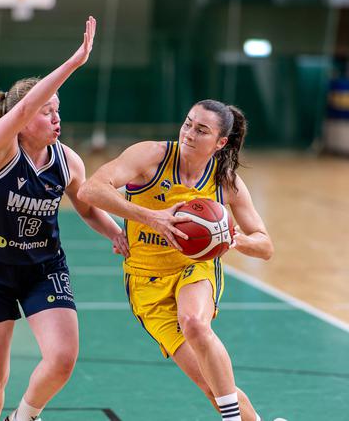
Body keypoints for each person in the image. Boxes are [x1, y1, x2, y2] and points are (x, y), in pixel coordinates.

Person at [0, 17, 128, 421]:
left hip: (44, 267)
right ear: (23, 120)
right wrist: (75, 61)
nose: (56, 118)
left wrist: (116, 233)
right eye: (46, 111)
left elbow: (86, 205)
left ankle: (23, 417)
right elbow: (24, 105)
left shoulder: (67, 160)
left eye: (58, 110)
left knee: (62, 358)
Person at [78, 99, 274, 421]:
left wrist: (234, 239)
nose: (189, 133)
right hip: (145, 281)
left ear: (220, 142)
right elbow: (91, 190)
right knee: (212, 386)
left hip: (193, 268)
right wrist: (149, 217)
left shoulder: (225, 180)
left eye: (201, 130)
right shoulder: (151, 156)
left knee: (195, 322)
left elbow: (265, 245)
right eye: (187, 123)